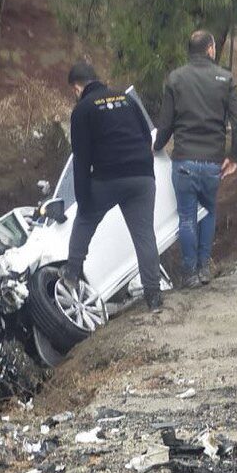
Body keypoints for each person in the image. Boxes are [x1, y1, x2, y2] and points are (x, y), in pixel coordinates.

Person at [63, 63, 163, 312]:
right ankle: (154, 295)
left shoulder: (82, 110)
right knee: (144, 236)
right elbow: (145, 135)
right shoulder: (126, 99)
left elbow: (82, 158)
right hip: (141, 177)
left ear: (77, 88)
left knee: (84, 219)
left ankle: (72, 274)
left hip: (108, 178)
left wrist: (83, 197)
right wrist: (145, 167)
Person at [155, 30, 237, 287]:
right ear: (210, 49)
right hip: (212, 163)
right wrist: (234, 155)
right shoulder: (225, 78)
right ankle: (204, 267)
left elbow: (166, 123)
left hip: (184, 160)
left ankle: (189, 271)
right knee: (207, 212)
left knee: (186, 217)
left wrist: (157, 146)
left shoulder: (175, 79)